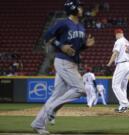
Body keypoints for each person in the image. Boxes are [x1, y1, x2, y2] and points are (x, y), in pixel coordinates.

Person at [31, 0, 95, 134]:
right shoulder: (63, 23)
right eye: (79, 7)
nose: (81, 9)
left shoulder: (81, 26)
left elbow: (75, 48)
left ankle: (38, 124)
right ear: (73, 9)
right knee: (81, 89)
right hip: (64, 61)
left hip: (72, 62)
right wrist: (60, 46)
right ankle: (52, 109)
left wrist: (85, 46)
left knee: (56, 96)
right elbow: (47, 36)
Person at [107, 28, 129, 113]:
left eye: (115, 35)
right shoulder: (128, 43)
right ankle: (123, 106)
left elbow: (115, 53)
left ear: (117, 34)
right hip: (128, 65)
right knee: (123, 87)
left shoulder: (119, 41)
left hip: (121, 64)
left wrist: (109, 63)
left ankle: (125, 104)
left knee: (115, 85)